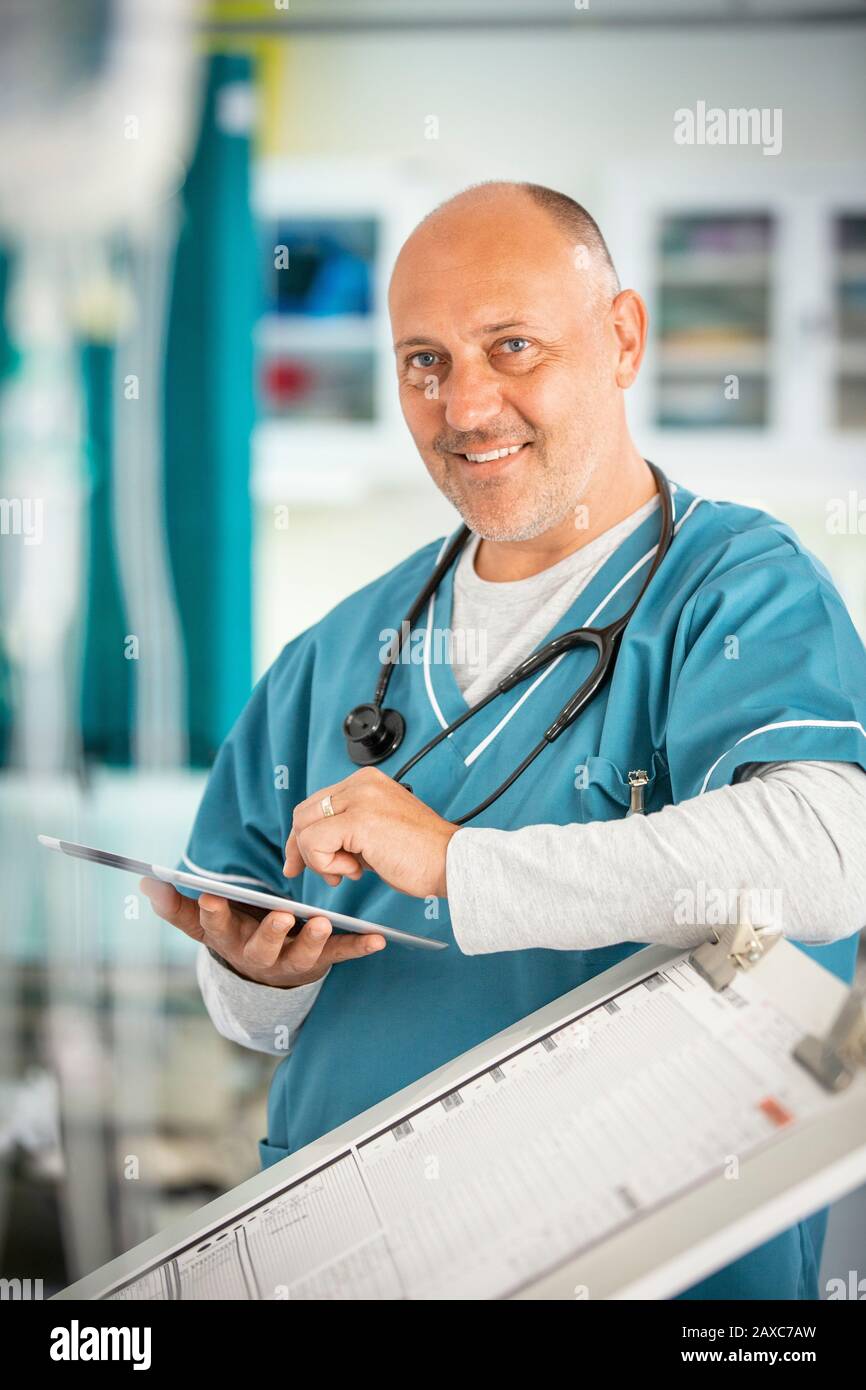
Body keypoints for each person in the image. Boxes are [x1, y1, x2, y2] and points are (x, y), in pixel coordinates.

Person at [143, 181, 866, 1300]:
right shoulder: (336, 652)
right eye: (423, 361)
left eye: (511, 346)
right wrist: (253, 974)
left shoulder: (736, 592)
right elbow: (245, 1003)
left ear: (620, 338)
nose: (464, 405)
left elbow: (827, 854)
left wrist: (454, 864)